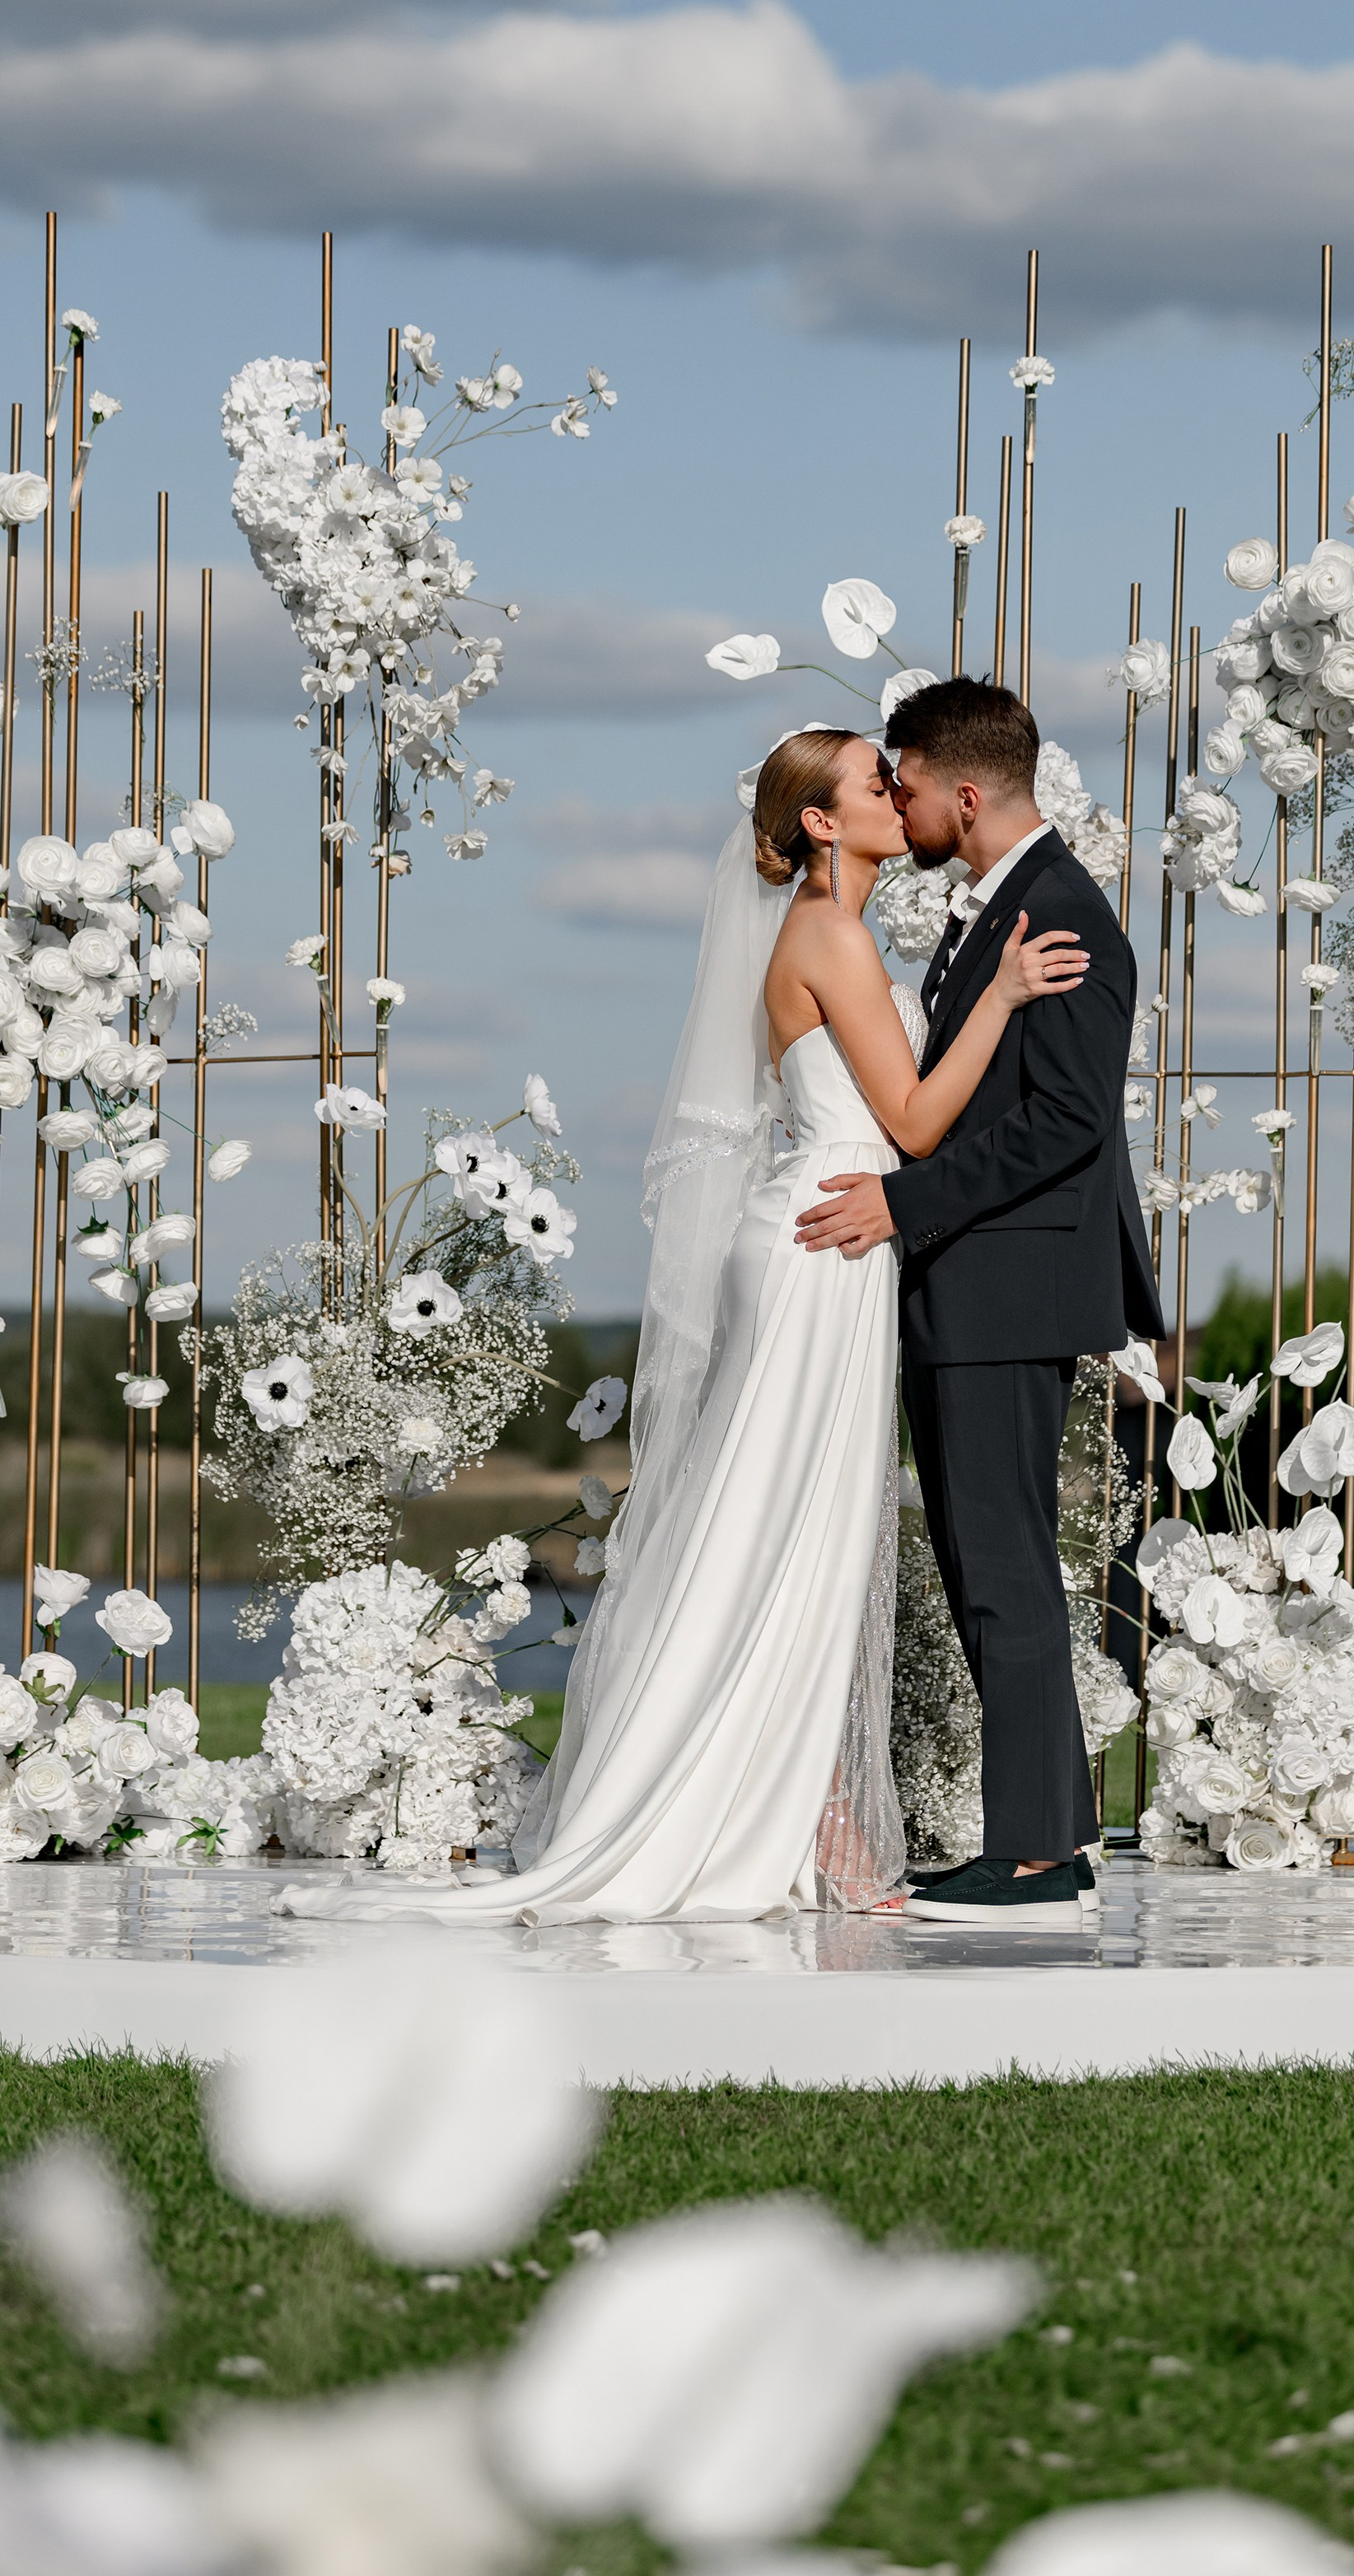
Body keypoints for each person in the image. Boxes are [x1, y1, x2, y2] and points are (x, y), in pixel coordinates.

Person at [282, 725, 1086, 1930]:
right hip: (826, 1247)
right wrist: (1008, 998)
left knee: (781, 1533)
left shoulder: (828, 937)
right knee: (779, 1531)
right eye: (878, 780)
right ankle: (744, 1802)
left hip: (829, 1241)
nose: (898, 790)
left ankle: (801, 1806)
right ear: (822, 822)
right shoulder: (830, 936)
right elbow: (915, 1123)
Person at [796, 678, 1165, 1930]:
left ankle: (1038, 1859)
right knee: (980, 1565)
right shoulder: (993, 914)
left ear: (964, 791)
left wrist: (905, 1206)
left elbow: (1069, 1121)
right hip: (968, 1285)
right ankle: (1043, 1838)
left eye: (901, 782)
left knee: (1003, 1569)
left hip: (1009, 1284)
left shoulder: (1062, 915)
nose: (893, 803)